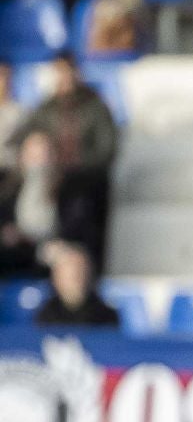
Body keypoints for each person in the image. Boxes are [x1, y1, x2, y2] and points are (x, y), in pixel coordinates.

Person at [14, 54, 117, 264]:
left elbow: (107, 149)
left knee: (82, 205)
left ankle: (85, 264)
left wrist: (73, 166)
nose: (65, 77)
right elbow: (23, 138)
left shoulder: (95, 106)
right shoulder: (46, 109)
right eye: (60, 72)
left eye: (69, 71)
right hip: (53, 177)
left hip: (86, 178)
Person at [0, 132, 59, 277]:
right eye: (33, 157)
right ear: (22, 157)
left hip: (52, 265)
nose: (39, 164)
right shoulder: (7, 191)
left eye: (44, 156)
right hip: (12, 261)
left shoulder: (67, 193)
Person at [33, 240, 120, 327]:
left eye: (81, 271)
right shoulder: (45, 317)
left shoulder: (106, 316)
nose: (77, 278)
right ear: (56, 277)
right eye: (70, 275)